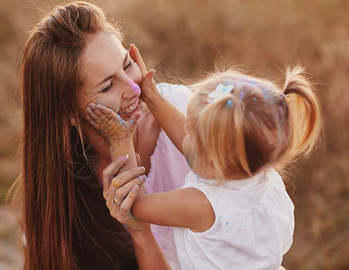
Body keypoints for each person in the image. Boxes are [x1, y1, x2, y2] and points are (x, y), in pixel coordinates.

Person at [88, 62, 321, 269]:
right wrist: (152, 96)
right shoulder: (259, 171)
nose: (184, 132)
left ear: (211, 162)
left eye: (190, 131)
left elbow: (134, 204)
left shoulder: (203, 205)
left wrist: (120, 140)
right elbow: (194, 149)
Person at [15, 1, 192, 269]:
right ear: (69, 112)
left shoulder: (184, 116)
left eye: (128, 64)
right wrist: (139, 233)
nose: (133, 88)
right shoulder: (63, 182)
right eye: (108, 85)